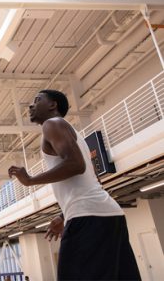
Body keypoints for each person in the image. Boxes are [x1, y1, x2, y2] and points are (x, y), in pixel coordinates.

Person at [8, 90, 141, 281]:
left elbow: (75, 165)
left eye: (37, 100)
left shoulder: (52, 124)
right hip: (110, 215)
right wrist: (64, 215)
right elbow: (95, 180)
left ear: (53, 105)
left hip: (88, 218)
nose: (31, 105)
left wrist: (30, 180)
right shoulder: (72, 133)